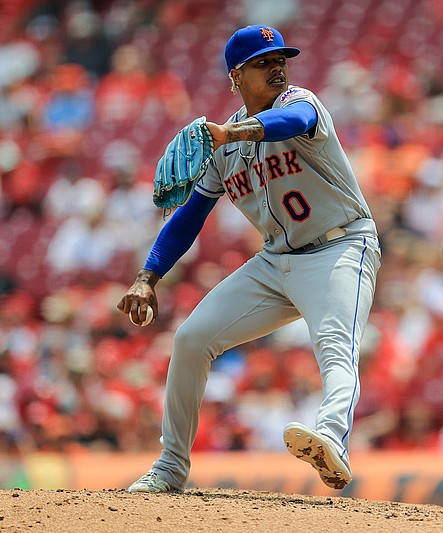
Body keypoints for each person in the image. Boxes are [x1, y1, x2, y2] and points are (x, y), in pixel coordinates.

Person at [118, 24, 381, 493]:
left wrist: (227, 132)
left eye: (280, 58)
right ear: (235, 77)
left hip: (340, 246)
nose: (277, 67)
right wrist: (147, 276)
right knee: (191, 339)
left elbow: (290, 123)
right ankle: (170, 468)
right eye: (263, 62)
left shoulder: (300, 103)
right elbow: (188, 217)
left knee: (335, 344)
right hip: (276, 261)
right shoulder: (225, 149)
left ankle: (331, 438)